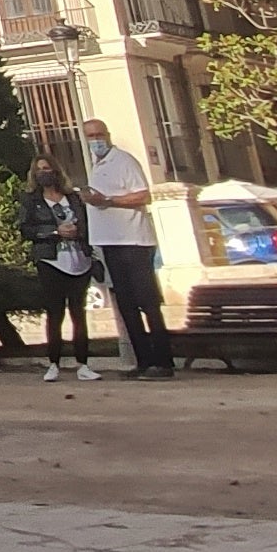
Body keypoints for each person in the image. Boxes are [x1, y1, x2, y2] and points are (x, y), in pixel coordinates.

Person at [79, 119, 175, 379]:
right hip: (110, 242)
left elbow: (143, 195)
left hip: (133, 241)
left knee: (147, 303)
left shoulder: (124, 161)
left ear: (107, 135)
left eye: (98, 135)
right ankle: (143, 360)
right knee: (126, 305)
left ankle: (163, 361)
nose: (95, 140)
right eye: (89, 136)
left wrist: (108, 201)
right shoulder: (96, 166)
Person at [18, 157, 101, 382]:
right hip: (50, 261)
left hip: (78, 259)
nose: (44, 173)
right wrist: (54, 233)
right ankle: (53, 363)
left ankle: (83, 363)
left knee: (78, 313)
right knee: (55, 313)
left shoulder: (73, 198)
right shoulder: (31, 201)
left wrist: (79, 233)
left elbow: (87, 223)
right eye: (39, 170)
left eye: (48, 168)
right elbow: (26, 229)